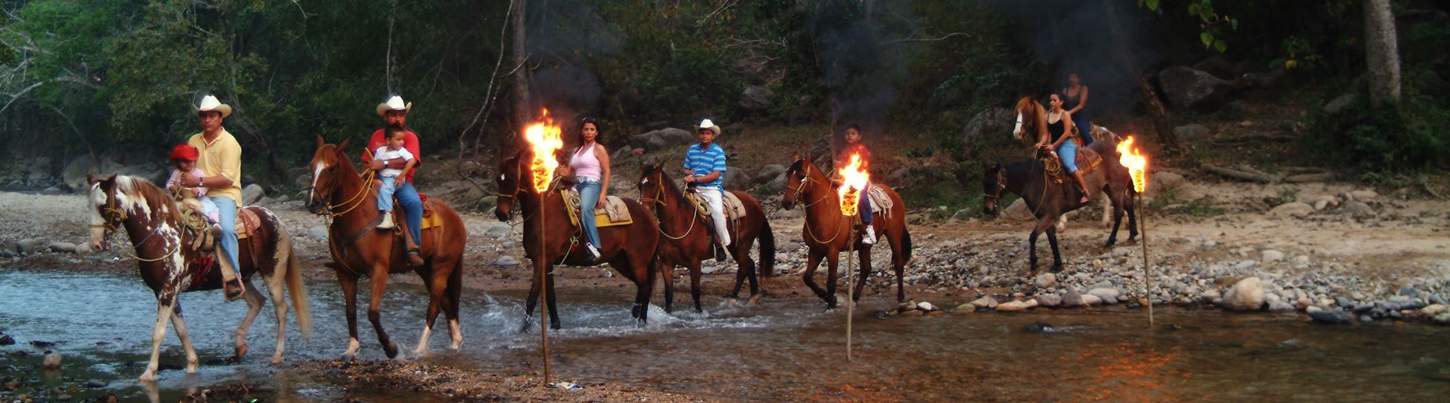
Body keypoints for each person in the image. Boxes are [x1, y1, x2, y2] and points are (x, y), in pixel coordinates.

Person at [182, 95, 245, 300]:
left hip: (224, 195)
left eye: (211, 115)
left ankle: (234, 277)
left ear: (220, 118)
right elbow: (187, 167)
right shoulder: (193, 140)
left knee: (226, 230)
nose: (207, 119)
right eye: (203, 116)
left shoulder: (230, 143)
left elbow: (227, 179)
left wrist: (197, 182)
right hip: (197, 195)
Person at [360, 95, 424, 266]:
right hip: (377, 180)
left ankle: (414, 247)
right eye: (393, 115)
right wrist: (372, 177)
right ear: (386, 116)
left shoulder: (409, 137)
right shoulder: (377, 136)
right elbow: (367, 160)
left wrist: (384, 163)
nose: (397, 119)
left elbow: (411, 161)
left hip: (400, 181)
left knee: (414, 203)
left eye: (401, 115)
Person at [682, 118, 732, 262]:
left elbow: (716, 173)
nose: (705, 136)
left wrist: (696, 178)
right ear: (699, 134)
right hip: (693, 187)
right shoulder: (692, 150)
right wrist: (689, 173)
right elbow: (685, 167)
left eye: (708, 133)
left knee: (717, 212)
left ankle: (723, 243)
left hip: (711, 188)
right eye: (702, 133)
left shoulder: (718, 151)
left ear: (713, 135)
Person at [565, 117, 610, 260]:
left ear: (596, 132)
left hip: (591, 185)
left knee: (585, 209)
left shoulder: (598, 148)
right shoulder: (577, 150)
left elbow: (607, 171)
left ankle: (596, 248)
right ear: (581, 131)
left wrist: (603, 194)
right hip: (576, 185)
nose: (588, 132)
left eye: (592, 129)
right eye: (586, 129)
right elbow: (569, 171)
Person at [1037, 93, 1091, 204]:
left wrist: (1054, 146)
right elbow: (1045, 134)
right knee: (1042, 164)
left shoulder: (1065, 114)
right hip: (1054, 144)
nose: (1051, 102)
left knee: (1068, 165)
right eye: (1050, 100)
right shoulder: (1046, 116)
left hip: (1066, 144)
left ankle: (1085, 191)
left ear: (1061, 102)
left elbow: (1067, 133)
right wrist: (1041, 143)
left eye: (1054, 100)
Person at [833, 124, 876, 245]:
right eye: (847, 134)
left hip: (860, 179)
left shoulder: (862, 150)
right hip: (845, 180)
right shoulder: (844, 151)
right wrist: (838, 164)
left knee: (861, 196)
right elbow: (841, 167)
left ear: (859, 136)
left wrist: (845, 166)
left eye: (853, 133)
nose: (849, 136)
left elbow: (862, 166)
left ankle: (868, 227)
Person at [372, 126, 417, 230]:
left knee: (385, 190)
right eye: (398, 139)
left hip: (393, 178)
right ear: (388, 140)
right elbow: (375, 164)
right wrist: (374, 178)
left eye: (402, 139)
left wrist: (402, 175)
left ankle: (388, 217)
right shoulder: (380, 151)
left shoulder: (402, 151)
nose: (401, 142)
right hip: (382, 177)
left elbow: (412, 161)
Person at [166, 144, 219, 223]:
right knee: (173, 209)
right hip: (181, 200)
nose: (188, 164)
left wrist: (198, 191)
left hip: (197, 199)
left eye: (191, 161)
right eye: (184, 161)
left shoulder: (198, 172)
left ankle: (214, 222)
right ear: (178, 162)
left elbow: (204, 186)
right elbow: (169, 184)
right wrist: (171, 187)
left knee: (206, 207)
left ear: (195, 160)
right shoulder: (177, 173)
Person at [1063, 72, 1094, 145]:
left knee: (1084, 132)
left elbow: (1081, 105)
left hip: (1080, 116)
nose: (1071, 79)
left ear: (1078, 79)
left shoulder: (1083, 88)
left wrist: (1068, 113)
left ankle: (1092, 147)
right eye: (1070, 77)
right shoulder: (1065, 90)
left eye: (1074, 77)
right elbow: (1061, 103)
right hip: (1067, 117)